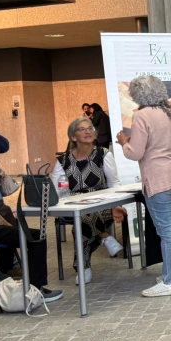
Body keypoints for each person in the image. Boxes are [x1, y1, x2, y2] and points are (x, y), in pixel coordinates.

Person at [117, 75, 171, 297]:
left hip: (159, 179)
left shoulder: (141, 115)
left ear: (137, 95)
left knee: (167, 231)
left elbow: (135, 153)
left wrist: (123, 142)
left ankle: (169, 282)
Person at [53, 117, 128, 284]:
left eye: (90, 128)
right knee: (81, 214)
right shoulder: (63, 161)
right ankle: (104, 236)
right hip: (72, 204)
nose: (88, 131)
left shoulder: (103, 154)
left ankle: (83, 267)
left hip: (102, 204)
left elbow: (114, 183)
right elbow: (56, 189)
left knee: (81, 225)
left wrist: (116, 205)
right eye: (82, 129)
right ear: (73, 137)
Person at [0, 198, 63, 302]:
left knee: (8, 216)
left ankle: (1, 270)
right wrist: (5, 223)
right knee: (37, 237)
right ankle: (35, 290)